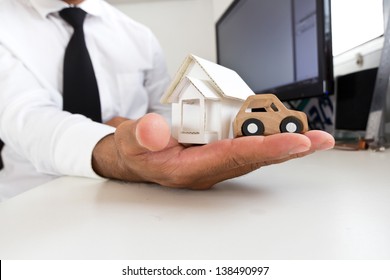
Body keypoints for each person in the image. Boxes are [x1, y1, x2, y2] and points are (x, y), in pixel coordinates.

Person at [0, 0, 335, 201]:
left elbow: (165, 110)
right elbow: (26, 119)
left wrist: (187, 137)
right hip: (32, 196)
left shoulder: (137, 35)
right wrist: (115, 146)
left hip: (134, 194)